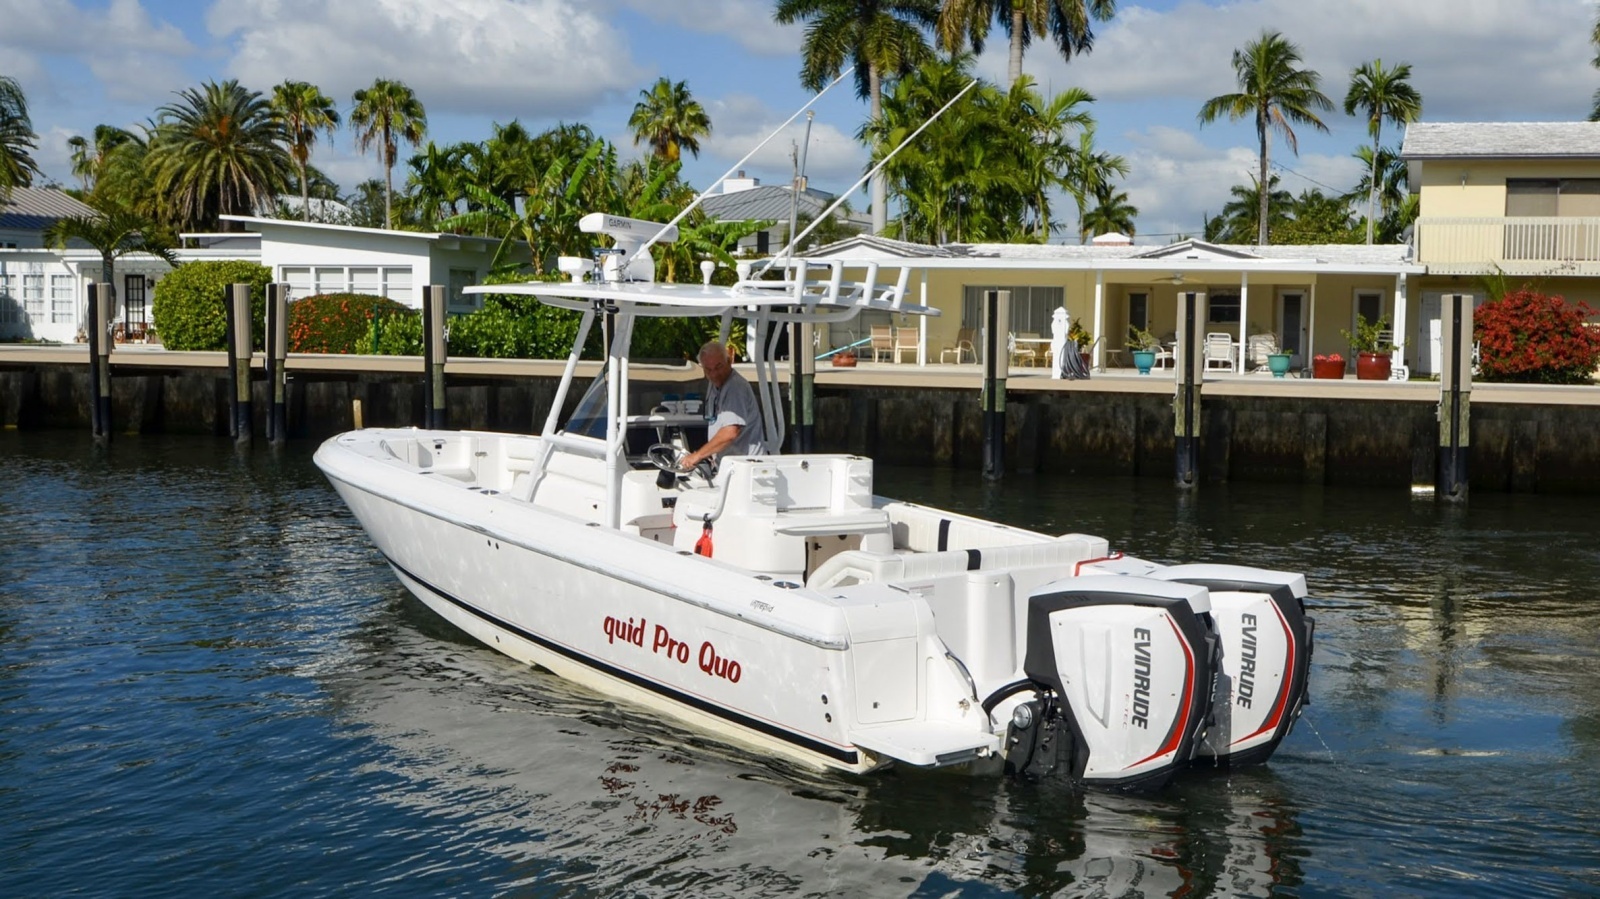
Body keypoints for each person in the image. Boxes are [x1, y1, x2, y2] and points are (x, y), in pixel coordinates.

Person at [680, 340, 766, 471]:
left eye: (718, 367)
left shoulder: (735, 387)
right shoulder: (715, 385)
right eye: (708, 369)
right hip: (731, 466)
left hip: (747, 468)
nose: (714, 373)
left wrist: (697, 455)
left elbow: (730, 432)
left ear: (729, 361)